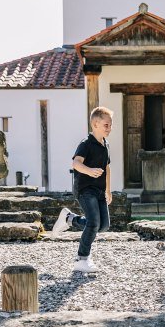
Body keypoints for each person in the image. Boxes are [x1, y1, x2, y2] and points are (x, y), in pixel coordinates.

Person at [51, 106, 113, 273]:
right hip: (85, 189)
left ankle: (69, 219)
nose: (109, 128)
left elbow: (107, 168)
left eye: (110, 125)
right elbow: (76, 163)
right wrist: (90, 171)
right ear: (95, 124)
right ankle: (81, 259)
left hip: (100, 191)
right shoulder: (85, 144)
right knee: (93, 223)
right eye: (106, 125)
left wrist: (108, 190)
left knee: (103, 226)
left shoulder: (105, 145)